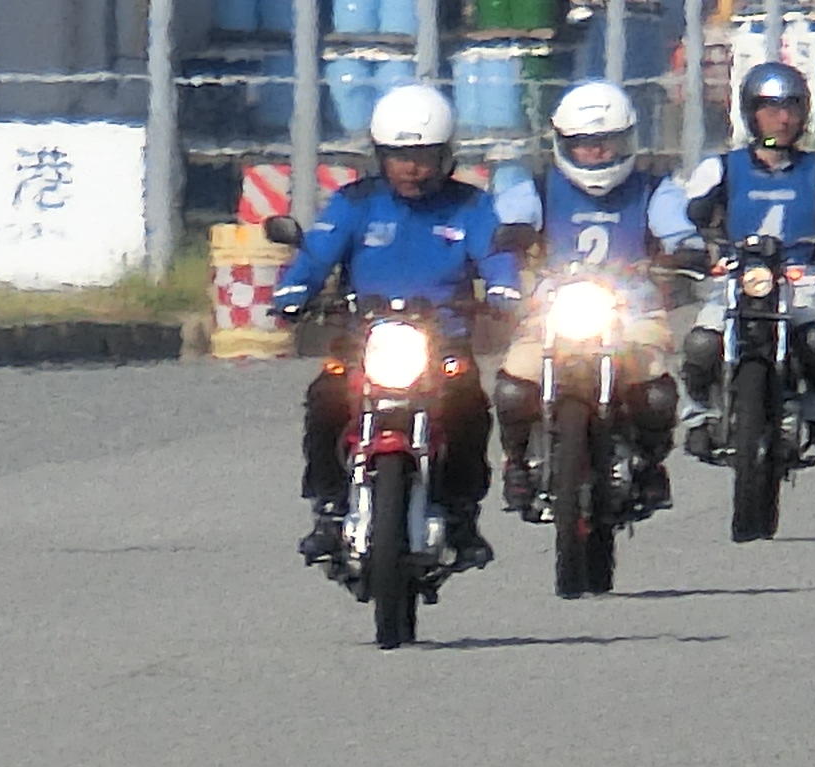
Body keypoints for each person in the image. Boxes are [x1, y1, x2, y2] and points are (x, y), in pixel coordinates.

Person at [271, 83, 522, 569]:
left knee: (469, 404)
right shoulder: (354, 203)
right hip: (364, 337)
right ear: (380, 155)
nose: (412, 168)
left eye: (424, 156)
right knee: (326, 398)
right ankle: (327, 509)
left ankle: (462, 513)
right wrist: (292, 294)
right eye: (399, 156)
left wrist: (503, 293)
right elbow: (316, 254)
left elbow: (496, 256)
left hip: (443, 339)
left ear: (446, 155)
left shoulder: (471, 206)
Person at [490, 81, 704, 519]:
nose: (597, 154)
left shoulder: (653, 188)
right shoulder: (539, 187)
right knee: (514, 386)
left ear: (627, 141)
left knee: (656, 391)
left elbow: (676, 227)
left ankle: (649, 462)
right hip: (553, 309)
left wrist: (685, 248)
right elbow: (512, 219)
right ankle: (516, 463)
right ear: (564, 144)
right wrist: (513, 234)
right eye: (585, 145)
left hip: (633, 308)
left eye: (608, 143)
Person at [681, 61, 815, 461]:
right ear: (751, 113)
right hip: (734, 278)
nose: (781, 120)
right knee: (701, 343)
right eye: (770, 109)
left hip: (797, 281)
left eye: (791, 109)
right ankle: (700, 415)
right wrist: (692, 235)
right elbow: (686, 212)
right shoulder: (721, 167)